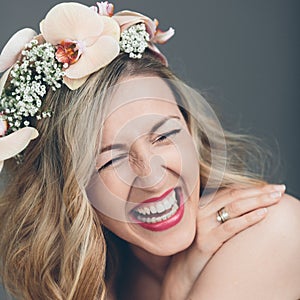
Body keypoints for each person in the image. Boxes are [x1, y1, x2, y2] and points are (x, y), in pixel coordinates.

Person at [0, 2, 299, 300]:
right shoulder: (96, 280)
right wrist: (178, 285)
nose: (153, 178)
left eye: (164, 136)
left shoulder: (268, 232)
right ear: (69, 187)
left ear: (191, 132)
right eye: (111, 160)